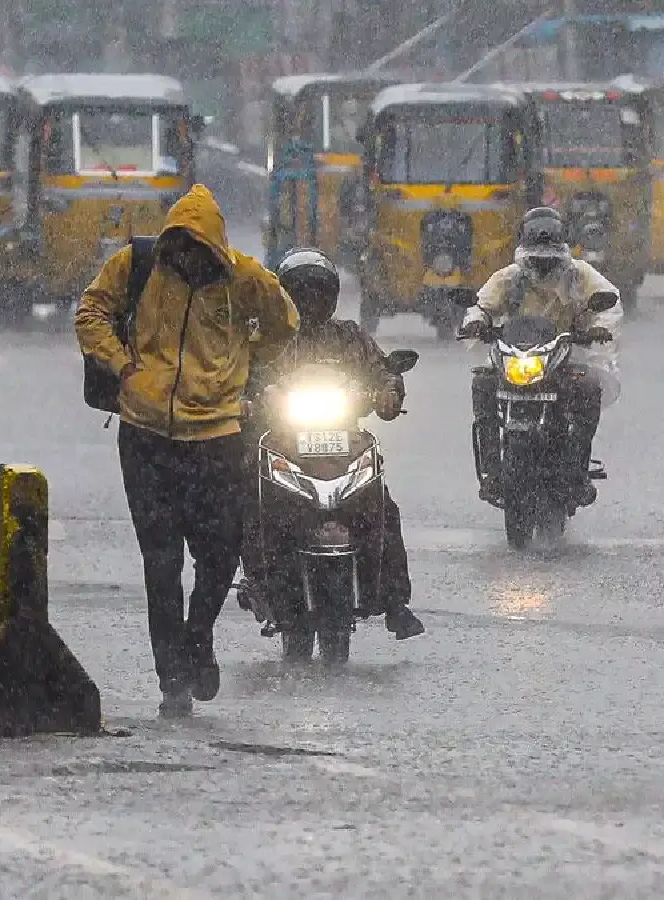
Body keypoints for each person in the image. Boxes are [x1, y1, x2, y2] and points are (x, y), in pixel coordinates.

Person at [75, 184, 300, 718]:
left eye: (200, 254)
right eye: (181, 252)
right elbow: (91, 313)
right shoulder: (138, 263)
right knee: (161, 562)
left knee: (220, 554)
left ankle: (198, 637)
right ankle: (171, 675)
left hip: (217, 438)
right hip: (146, 436)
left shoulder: (244, 277)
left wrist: (244, 362)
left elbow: (284, 324)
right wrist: (125, 367)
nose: (188, 263)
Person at [239, 248, 425, 640]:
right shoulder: (268, 339)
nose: (310, 302)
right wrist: (251, 401)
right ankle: (257, 580)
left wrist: (389, 391)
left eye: (318, 293)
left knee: (383, 507)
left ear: (332, 297)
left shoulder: (349, 337)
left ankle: (394, 601)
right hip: (283, 443)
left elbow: (381, 372)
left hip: (344, 445)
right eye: (300, 293)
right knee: (248, 502)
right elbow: (242, 377)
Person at [460, 208, 621, 507]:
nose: (542, 266)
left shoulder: (580, 276)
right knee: (483, 385)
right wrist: (476, 322)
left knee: (588, 388)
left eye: (548, 259)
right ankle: (492, 471)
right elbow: (481, 305)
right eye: (536, 259)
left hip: (567, 357)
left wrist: (598, 329)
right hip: (515, 358)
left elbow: (609, 302)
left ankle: (576, 472)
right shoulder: (509, 278)